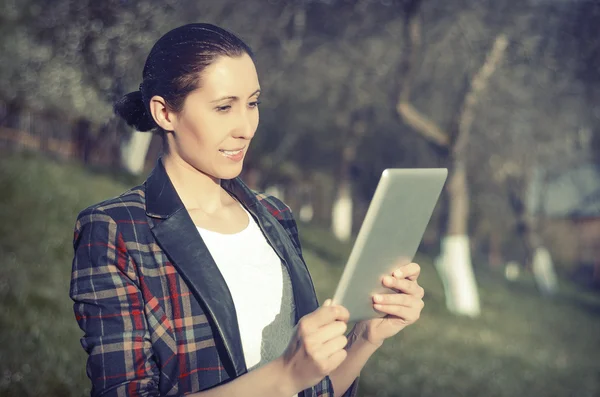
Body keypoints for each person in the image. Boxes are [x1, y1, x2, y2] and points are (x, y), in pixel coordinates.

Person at [70, 23, 425, 397]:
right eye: (224, 107)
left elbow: (312, 390)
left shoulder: (274, 215)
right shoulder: (115, 230)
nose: (246, 127)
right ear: (164, 113)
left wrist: (365, 338)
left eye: (252, 103)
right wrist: (284, 375)